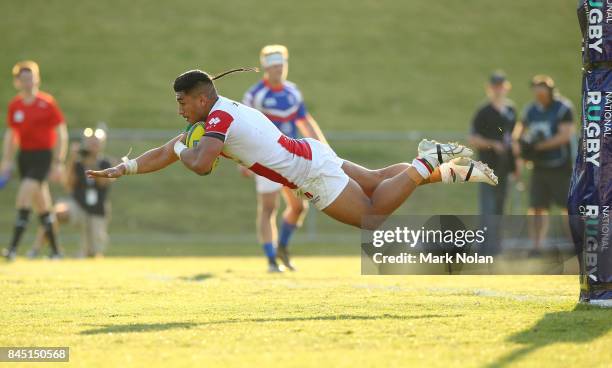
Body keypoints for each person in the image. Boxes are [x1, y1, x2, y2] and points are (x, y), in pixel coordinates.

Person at [87, 68, 497, 233]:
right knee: (374, 180)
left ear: (199, 98)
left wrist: (181, 152)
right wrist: (125, 169)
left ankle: (425, 161)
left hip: (308, 173)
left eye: (181, 102)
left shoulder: (217, 121)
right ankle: (455, 170)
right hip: (309, 152)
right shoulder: (216, 114)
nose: (178, 109)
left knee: (372, 217)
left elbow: (198, 165)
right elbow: (166, 148)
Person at [241, 45, 327, 272]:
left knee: (299, 207)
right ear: (266, 69)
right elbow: (244, 128)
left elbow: (305, 121)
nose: (279, 70)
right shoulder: (255, 95)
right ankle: (271, 259)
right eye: (274, 67)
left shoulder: (293, 92)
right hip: (265, 159)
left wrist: (323, 148)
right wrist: (244, 159)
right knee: (269, 207)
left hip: (293, 159)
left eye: (282, 66)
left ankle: (283, 247)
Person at [1, 61, 67, 261]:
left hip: (43, 156)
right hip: (25, 157)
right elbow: (12, 135)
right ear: (17, 82)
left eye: (31, 78)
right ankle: (56, 251)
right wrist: (7, 161)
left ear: (37, 79)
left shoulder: (46, 103)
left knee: (23, 197)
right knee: (43, 205)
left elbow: (61, 133)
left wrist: (58, 161)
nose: (28, 82)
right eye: (23, 79)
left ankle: (12, 248)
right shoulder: (15, 105)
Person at [513, 75, 575, 257]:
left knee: (568, 207)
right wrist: (521, 145)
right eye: (535, 91)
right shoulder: (531, 109)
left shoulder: (562, 108)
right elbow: (520, 131)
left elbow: (565, 135)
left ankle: (576, 243)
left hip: (560, 166)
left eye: (542, 91)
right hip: (539, 167)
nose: (538, 94)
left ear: (549, 91)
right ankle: (536, 247)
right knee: (537, 207)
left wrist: (539, 146)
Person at [28, 125, 114, 258]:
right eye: (90, 141)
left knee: (93, 254)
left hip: (97, 211)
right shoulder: (78, 163)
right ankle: (40, 249)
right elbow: (67, 184)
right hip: (78, 205)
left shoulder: (105, 163)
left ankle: (84, 253)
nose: (93, 144)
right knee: (55, 214)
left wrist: (91, 163)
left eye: (96, 141)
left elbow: (103, 183)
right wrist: (73, 158)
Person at [468, 72, 518, 254]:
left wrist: (516, 164)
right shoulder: (483, 112)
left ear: (506, 87)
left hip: (504, 167)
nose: (498, 90)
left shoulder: (511, 110)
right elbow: (473, 139)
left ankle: (496, 247)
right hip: (486, 167)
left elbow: (513, 138)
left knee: (500, 208)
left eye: (501, 86)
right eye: (495, 86)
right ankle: (485, 249)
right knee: (487, 208)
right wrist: (493, 144)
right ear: (490, 88)